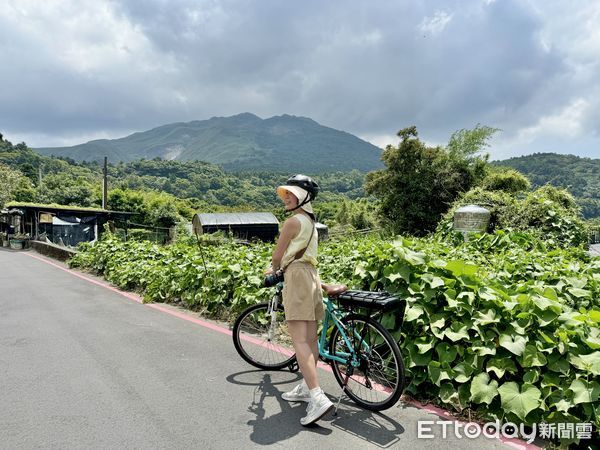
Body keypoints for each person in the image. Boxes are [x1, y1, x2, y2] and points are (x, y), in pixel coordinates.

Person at [265, 174, 334, 426]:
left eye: (291, 194)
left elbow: (277, 256)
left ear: (303, 197)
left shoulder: (292, 222)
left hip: (297, 278)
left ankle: (318, 398)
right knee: (312, 338)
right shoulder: (311, 223)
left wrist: (273, 270)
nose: (286, 198)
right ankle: (306, 387)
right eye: (285, 194)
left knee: (299, 341)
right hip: (312, 276)